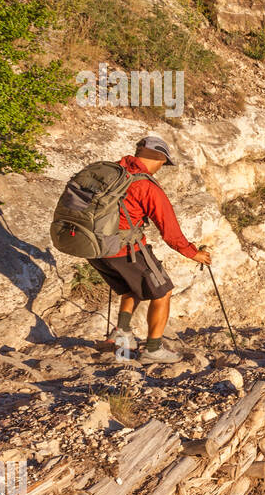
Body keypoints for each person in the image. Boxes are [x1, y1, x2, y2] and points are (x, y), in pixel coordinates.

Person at [89, 135, 212, 363]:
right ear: (159, 159)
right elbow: (170, 231)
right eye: (163, 164)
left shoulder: (113, 173)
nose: (160, 168)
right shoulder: (146, 186)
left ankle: (121, 332)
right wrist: (194, 253)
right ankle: (153, 349)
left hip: (94, 249)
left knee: (133, 287)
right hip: (125, 249)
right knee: (163, 291)